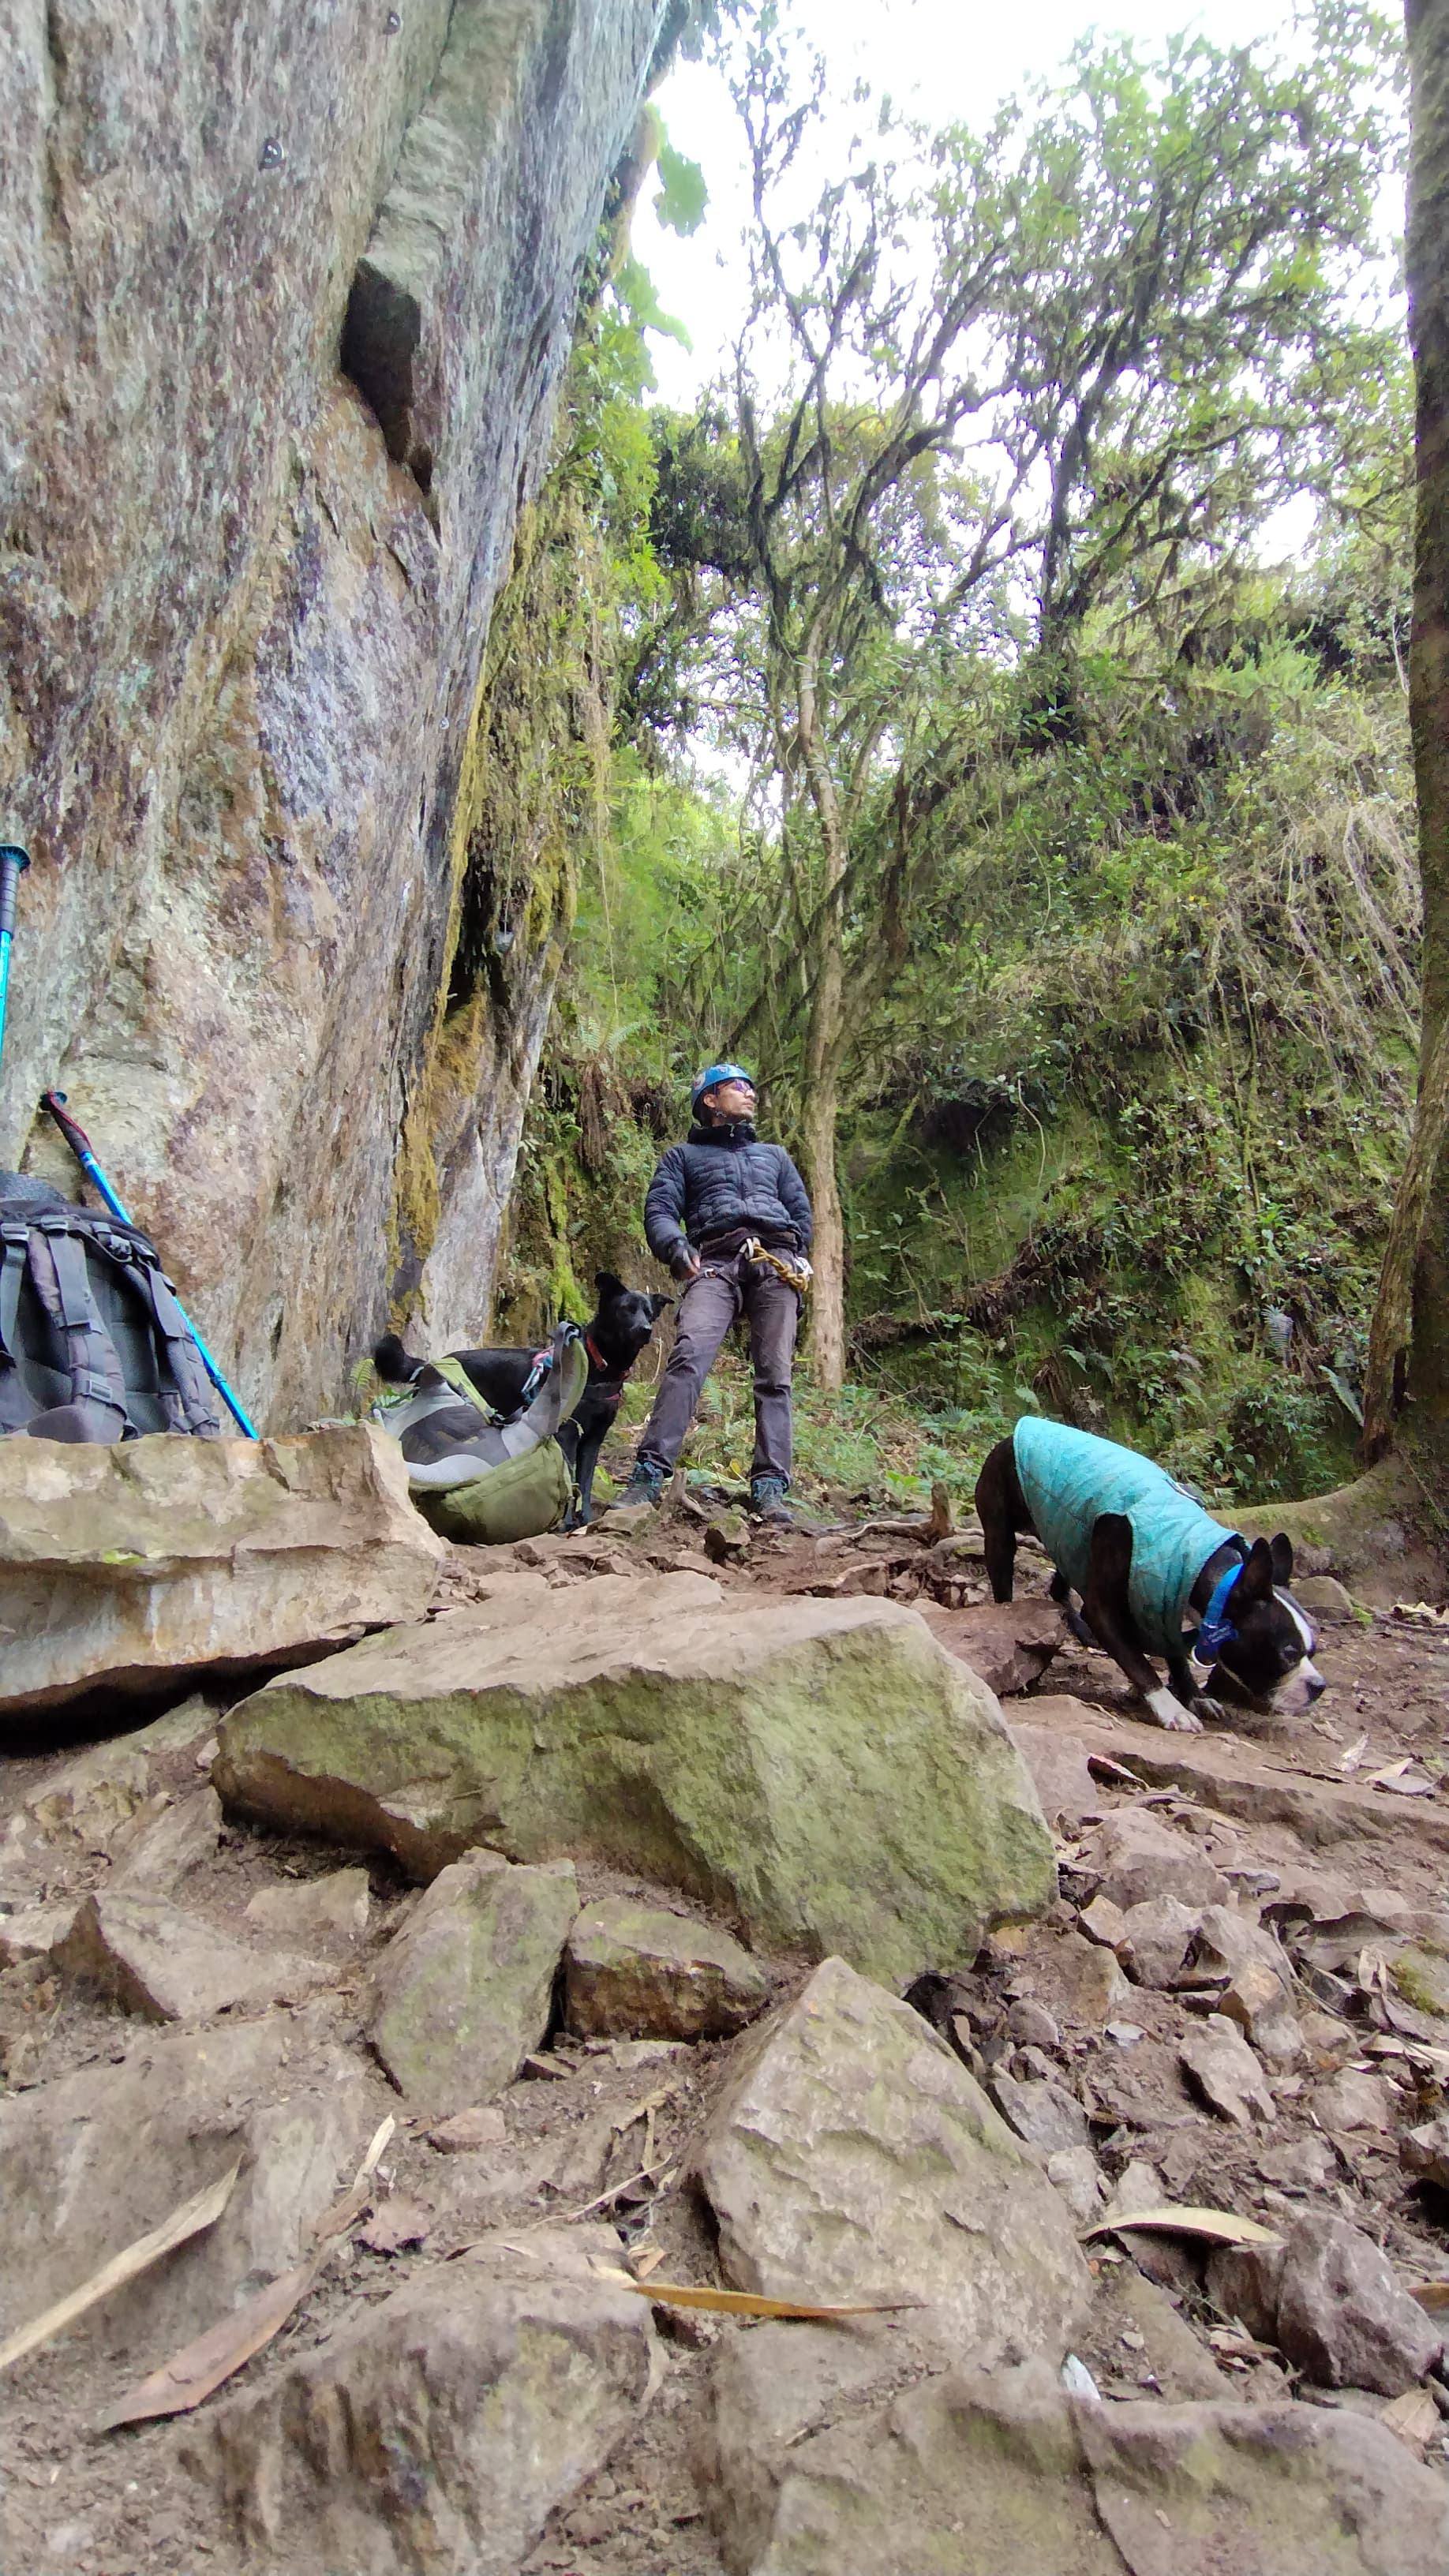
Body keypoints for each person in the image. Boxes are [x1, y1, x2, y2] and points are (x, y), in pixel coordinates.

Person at [610, 1062, 813, 1523]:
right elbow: (661, 1209)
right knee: (689, 1356)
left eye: (751, 1088)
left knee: (775, 1375)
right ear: (710, 1100)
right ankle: (648, 1475)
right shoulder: (681, 1158)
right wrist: (675, 1246)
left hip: (774, 1262)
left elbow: (800, 1212)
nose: (750, 1095)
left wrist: (797, 1252)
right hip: (715, 1263)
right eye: (738, 1088)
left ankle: (770, 1487)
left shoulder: (776, 1157)